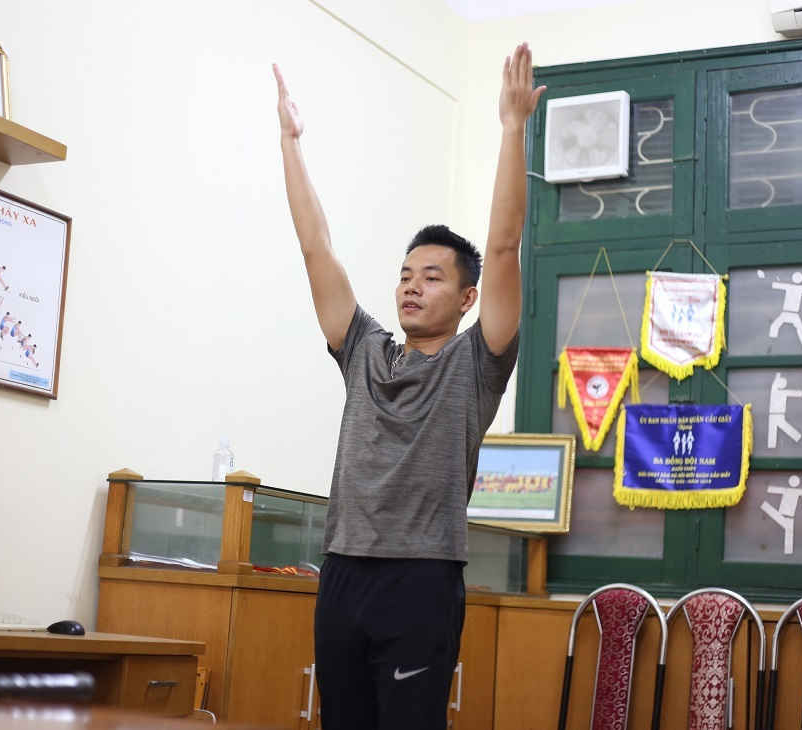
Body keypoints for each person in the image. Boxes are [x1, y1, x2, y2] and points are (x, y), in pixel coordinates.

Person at [274, 42, 544, 730]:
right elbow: (315, 247)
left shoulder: (476, 362)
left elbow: (504, 245)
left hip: (421, 579)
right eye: (404, 275)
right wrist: (290, 145)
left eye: (431, 277)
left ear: (466, 298)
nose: (411, 287)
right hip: (342, 571)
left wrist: (512, 127)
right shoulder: (363, 349)